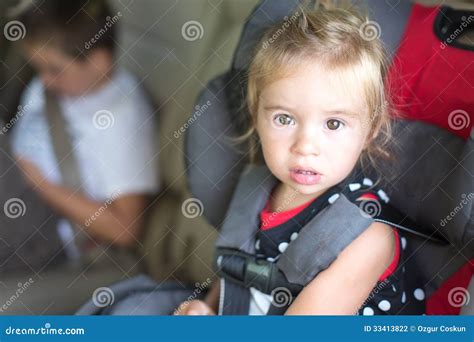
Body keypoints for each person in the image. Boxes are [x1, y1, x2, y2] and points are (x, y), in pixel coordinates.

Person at [174, 6, 425, 315]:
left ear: (370, 130)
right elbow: (239, 270)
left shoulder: (366, 237)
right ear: (256, 116)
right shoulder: (255, 192)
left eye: (333, 124)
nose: (305, 146)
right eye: (284, 118)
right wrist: (205, 308)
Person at [0, 0, 159, 314]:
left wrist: (37, 181)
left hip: (44, 230)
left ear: (98, 62)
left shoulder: (120, 119)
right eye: (39, 68)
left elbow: (125, 228)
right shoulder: (65, 85)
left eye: (54, 70)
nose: (44, 81)